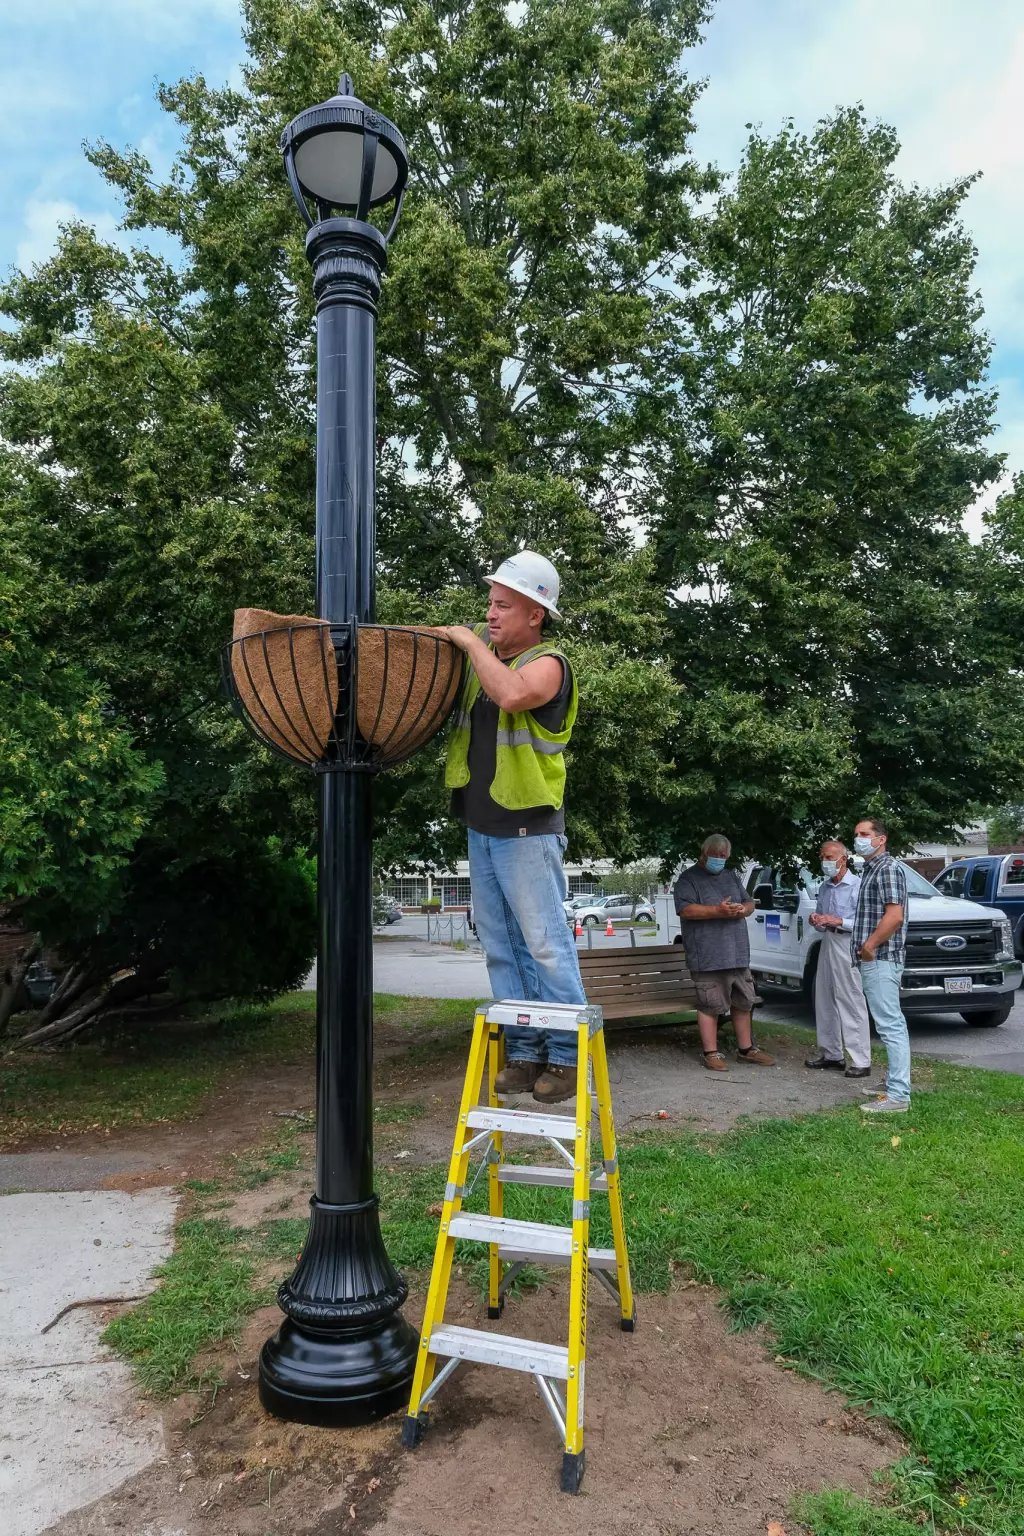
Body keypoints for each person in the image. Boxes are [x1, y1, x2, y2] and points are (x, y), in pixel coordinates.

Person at [442, 550, 584, 1104]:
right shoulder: (484, 658)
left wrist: (470, 641)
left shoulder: (549, 664)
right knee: (501, 947)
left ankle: (567, 1058)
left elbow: (513, 694)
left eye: (503, 605)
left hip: (528, 830)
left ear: (535, 615)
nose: (490, 613)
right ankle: (524, 1053)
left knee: (545, 946)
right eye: (490, 603)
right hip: (482, 827)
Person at [673, 836, 775, 1072]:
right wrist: (716, 911)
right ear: (704, 853)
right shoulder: (688, 879)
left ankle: (747, 1050)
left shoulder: (730, 876)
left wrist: (743, 909)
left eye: (723, 856)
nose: (719, 859)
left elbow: (749, 903)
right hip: (707, 955)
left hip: (737, 953)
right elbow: (686, 910)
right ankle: (711, 1053)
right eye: (715, 855)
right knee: (709, 1004)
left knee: (744, 1001)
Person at [851, 816, 911, 1114]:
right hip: (877, 958)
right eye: (857, 834)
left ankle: (898, 1095)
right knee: (888, 1022)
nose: (859, 839)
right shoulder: (872, 869)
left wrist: (870, 946)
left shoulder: (887, 868)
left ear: (881, 839)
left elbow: (894, 916)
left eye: (865, 834)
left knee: (890, 1024)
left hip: (882, 958)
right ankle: (892, 1084)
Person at [805, 840, 871, 1077]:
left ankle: (861, 1059)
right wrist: (817, 920)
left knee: (850, 998)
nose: (825, 862)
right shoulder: (825, 887)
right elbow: (822, 921)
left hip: (847, 942)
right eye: (822, 857)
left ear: (843, 859)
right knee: (824, 997)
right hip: (828, 941)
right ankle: (832, 1053)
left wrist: (838, 921)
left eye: (829, 857)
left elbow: (865, 922)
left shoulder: (857, 886)